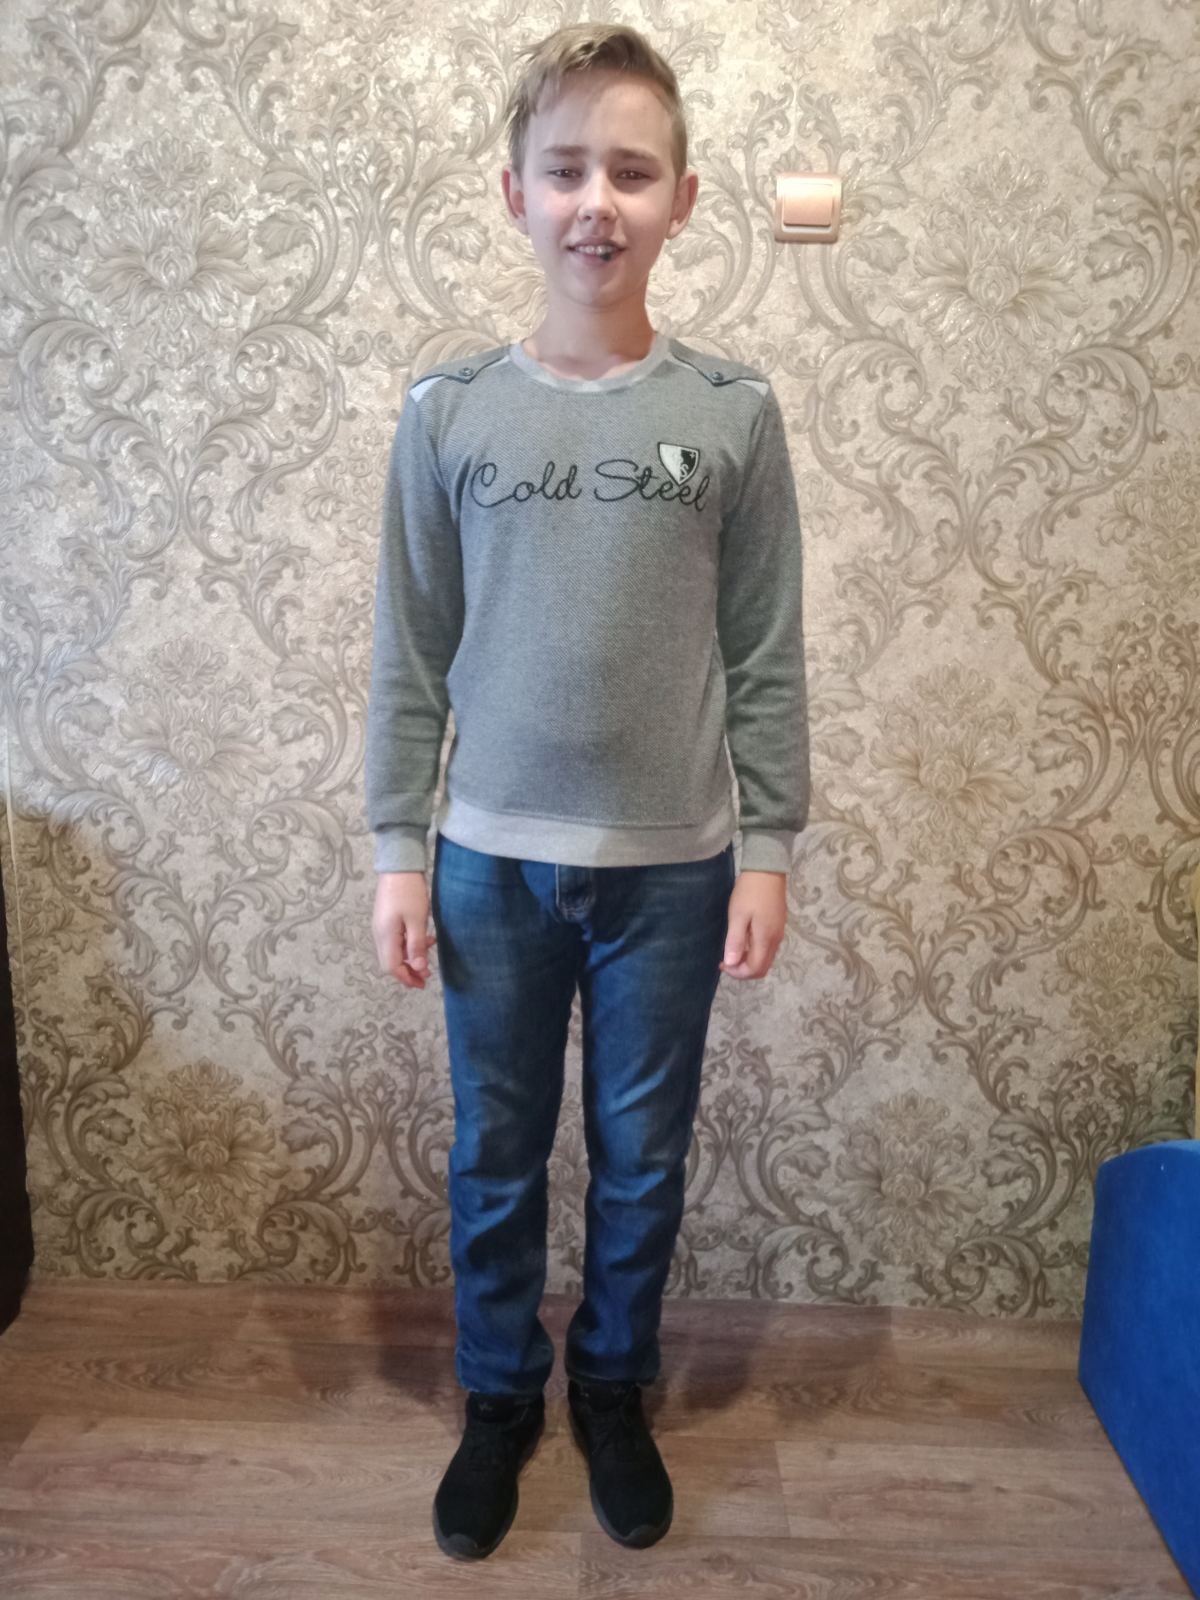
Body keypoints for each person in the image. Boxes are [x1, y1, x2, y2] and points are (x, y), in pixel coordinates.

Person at [365, 20, 810, 1563]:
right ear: (516, 195)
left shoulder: (732, 415)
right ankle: (500, 1398)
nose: (595, 202)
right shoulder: (448, 415)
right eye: (565, 171)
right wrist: (397, 848)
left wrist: (770, 845)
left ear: (683, 199)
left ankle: (612, 1387)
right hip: (486, 862)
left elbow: (763, 647)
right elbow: (412, 647)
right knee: (494, 1157)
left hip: (677, 868)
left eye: (631, 171)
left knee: (643, 1159)